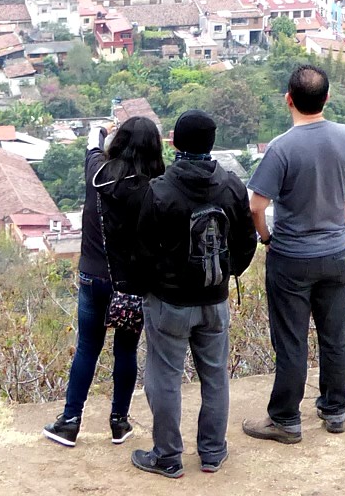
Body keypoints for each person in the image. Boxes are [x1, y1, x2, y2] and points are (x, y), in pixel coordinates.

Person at [242, 64, 345, 444]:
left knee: (291, 340)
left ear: (289, 100)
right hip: (335, 253)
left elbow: (256, 205)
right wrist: (340, 222)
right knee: (335, 335)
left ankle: (286, 419)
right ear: (327, 99)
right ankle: (335, 411)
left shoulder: (281, 148)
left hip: (291, 258)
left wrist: (266, 238)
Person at [130, 110, 257, 478]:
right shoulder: (232, 186)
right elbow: (246, 241)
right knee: (215, 376)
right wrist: (228, 272)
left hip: (170, 301)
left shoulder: (160, 190)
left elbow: (142, 253)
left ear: (175, 143)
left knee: (165, 378)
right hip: (214, 298)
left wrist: (151, 288)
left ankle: (168, 457)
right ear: (212, 144)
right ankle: (213, 452)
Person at [43, 116, 165, 448]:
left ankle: (69, 421)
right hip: (129, 287)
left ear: (119, 143)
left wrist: (103, 130)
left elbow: (91, 142)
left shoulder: (96, 172)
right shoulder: (153, 188)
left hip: (92, 277)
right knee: (125, 352)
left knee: (87, 349)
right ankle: (119, 422)